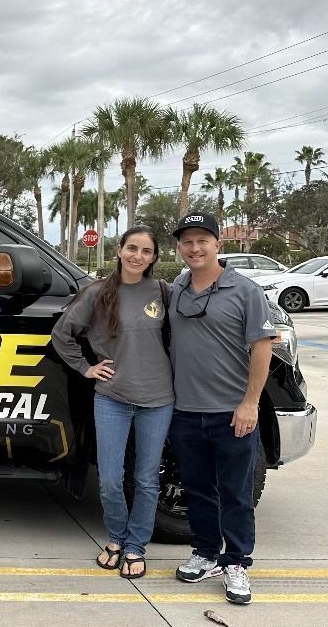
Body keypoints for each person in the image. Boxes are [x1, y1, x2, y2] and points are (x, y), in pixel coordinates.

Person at [52, 226, 173, 580]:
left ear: (154, 257)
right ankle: (117, 539)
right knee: (109, 479)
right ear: (119, 250)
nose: (138, 256)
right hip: (112, 398)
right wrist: (86, 368)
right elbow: (62, 335)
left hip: (158, 399)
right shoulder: (97, 293)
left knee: (147, 479)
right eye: (132, 248)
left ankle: (136, 547)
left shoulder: (163, 292)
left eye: (146, 251)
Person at [168, 213, 275, 605]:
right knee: (197, 490)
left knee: (236, 493)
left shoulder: (245, 290)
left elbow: (262, 347)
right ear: (180, 248)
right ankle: (206, 552)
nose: (195, 248)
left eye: (203, 240)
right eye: (187, 241)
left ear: (218, 244)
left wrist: (250, 403)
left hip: (232, 413)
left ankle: (237, 562)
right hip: (185, 411)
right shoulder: (178, 287)